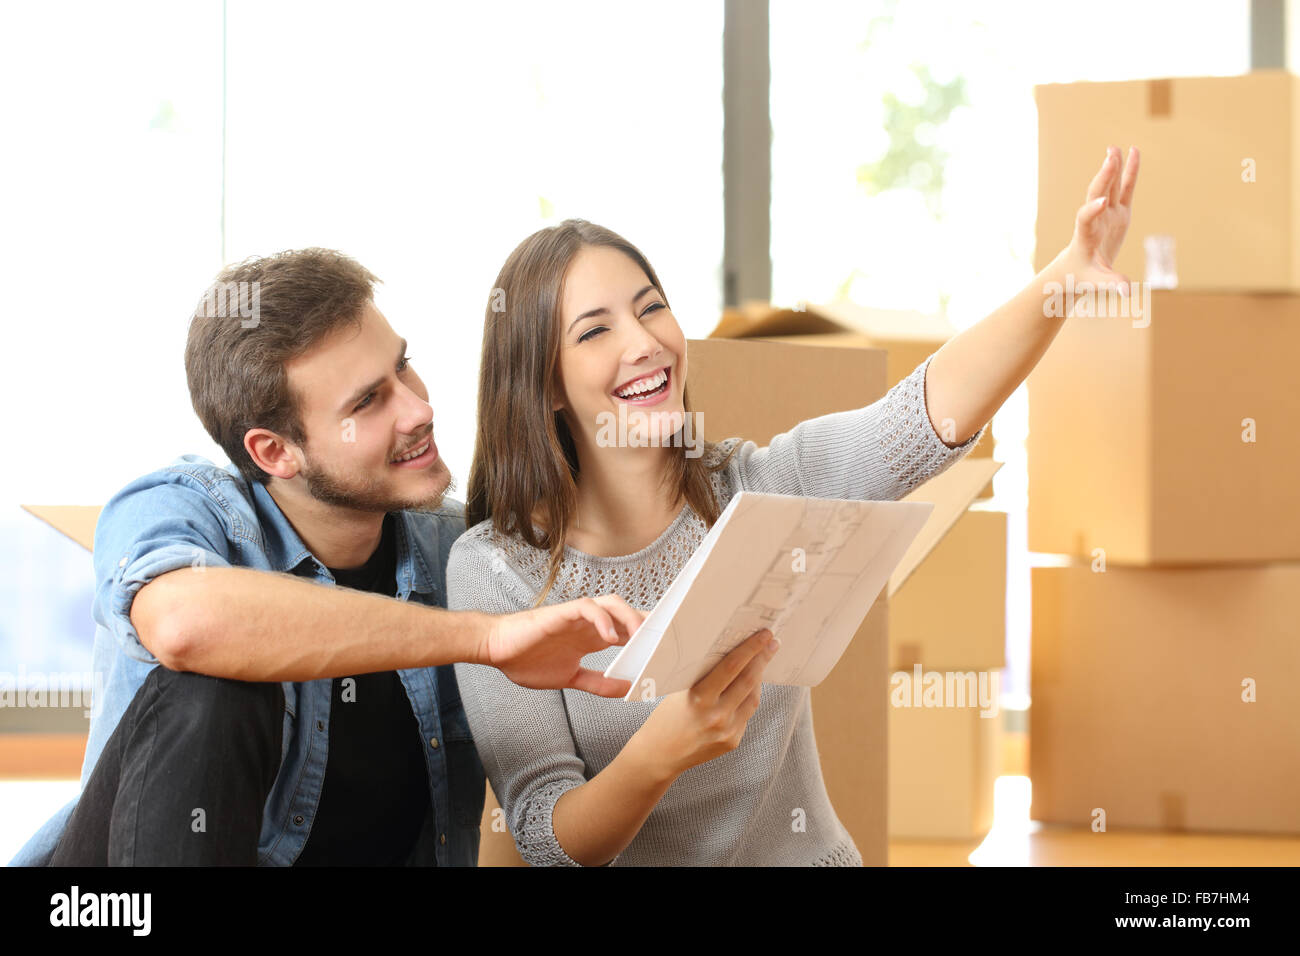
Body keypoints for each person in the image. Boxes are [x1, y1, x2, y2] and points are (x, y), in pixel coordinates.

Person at [449, 146, 1141, 865]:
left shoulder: (758, 485)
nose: (646, 343)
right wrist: (656, 756)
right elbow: (544, 837)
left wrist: (1063, 278)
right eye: (595, 331)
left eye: (652, 309)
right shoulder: (496, 571)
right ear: (545, 385)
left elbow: (919, 422)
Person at [11, 248, 642, 867]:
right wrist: (486, 638)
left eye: (405, 368)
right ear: (275, 452)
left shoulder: (459, 553)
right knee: (216, 689)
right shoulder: (179, 508)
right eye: (368, 402)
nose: (420, 410)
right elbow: (184, 626)